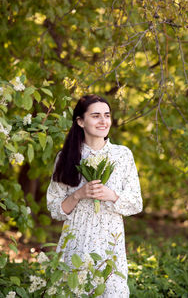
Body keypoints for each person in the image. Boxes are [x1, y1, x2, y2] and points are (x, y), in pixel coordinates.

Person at [46, 94, 143, 297]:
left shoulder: (122, 155)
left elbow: (136, 203)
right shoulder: (66, 157)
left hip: (110, 245)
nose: (103, 121)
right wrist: (79, 194)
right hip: (76, 241)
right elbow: (55, 209)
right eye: (96, 116)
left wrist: (112, 195)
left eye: (107, 115)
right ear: (80, 121)